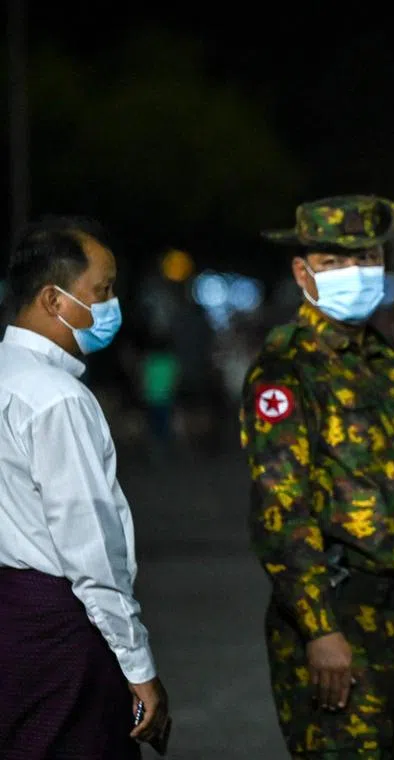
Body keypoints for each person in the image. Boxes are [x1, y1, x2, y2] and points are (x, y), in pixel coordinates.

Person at [241, 195, 394, 758]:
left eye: (367, 259)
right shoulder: (287, 367)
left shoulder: (380, 358)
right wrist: (318, 629)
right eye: (336, 263)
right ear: (302, 272)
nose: (356, 275)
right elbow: (280, 511)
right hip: (340, 622)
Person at [0, 216, 170, 757]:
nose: (111, 303)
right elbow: (91, 550)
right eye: (102, 290)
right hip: (58, 625)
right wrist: (138, 665)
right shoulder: (58, 399)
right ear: (54, 299)